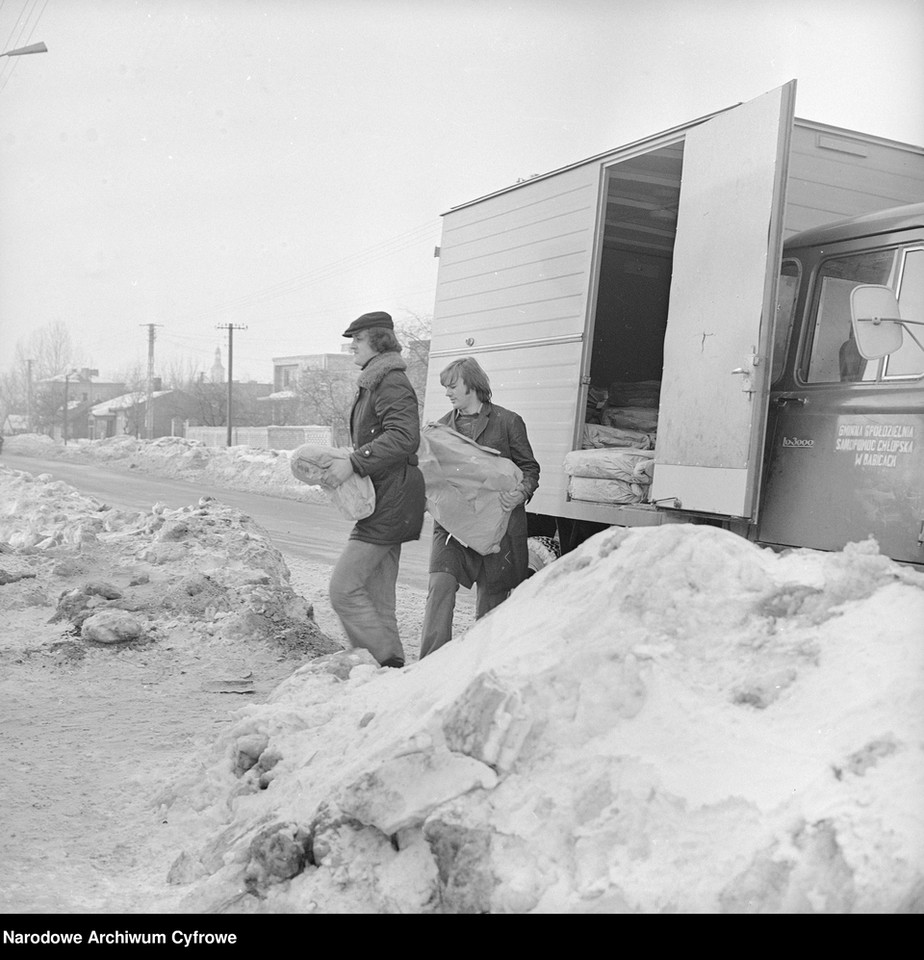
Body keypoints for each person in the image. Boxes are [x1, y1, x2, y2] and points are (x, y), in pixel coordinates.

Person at [419, 357, 539, 659]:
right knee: (440, 585)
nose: (448, 392)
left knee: (491, 603)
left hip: (497, 529)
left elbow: (529, 468)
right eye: (445, 387)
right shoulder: (442, 428)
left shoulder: (508, 421)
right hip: (453, 530)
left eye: (452, 385)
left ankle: (480, 665)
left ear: (472, 384)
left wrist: (521, 492)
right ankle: (430, 664)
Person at [324, 310, 425, 669]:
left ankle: (379, 661)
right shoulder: (377, 380)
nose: (352, 347)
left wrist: (355, 462)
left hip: (390, 499)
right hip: (387, 496)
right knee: (378, 599)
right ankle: (388, 676)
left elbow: (404, 437)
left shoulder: (389, 382)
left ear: (378, 341)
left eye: (358, 340)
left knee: (344, 589)